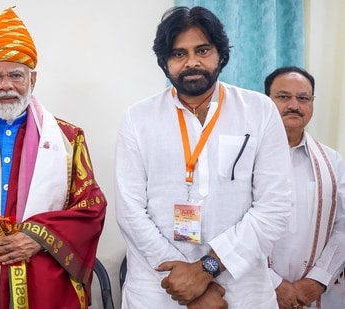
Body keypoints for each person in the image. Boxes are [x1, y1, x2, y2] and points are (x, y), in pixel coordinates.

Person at [115, 6, 294, 309]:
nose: (192, 62)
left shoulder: (259, 111)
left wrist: (205, 270)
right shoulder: (138, 118)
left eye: (202, 50)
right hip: (159, 290)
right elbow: (130, 212)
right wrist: (187, 283)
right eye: (179, 54)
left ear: (221, 55)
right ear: (165, 62)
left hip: (241, 291)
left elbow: (274, 206)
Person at [0, 7, 107, 309]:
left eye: (16, 75)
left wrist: (37, 237)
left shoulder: (67, 138)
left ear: (33, 79)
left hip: (41, 282)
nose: (5, 86)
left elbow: (91, 209)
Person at [265, 66, 345, 309]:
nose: (294, 105)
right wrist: (274, 284)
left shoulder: (333, 162)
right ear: (265, 101)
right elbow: (228, 223)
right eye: (283, 97)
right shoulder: (244, 159)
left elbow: (342, 226)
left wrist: (317, 281)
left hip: (315, 293)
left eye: (303, 98)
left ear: (312, 103)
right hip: (258, 288)